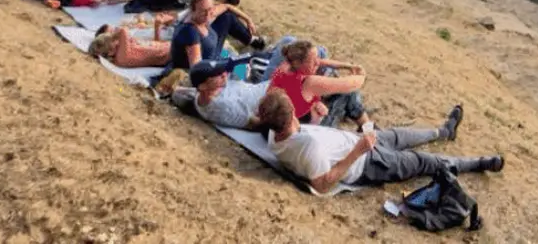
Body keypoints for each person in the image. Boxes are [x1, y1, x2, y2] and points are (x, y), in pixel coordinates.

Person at [258, 89, 499, 194]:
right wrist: (358, 151)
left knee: (399, 135)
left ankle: (444, 132)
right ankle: (477, 163)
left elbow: (302, 137)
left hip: (359, 142)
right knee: (423, 161)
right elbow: (322, 184)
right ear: (291, 113)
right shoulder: (307, 148)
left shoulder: (275, 136)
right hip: (367, 163)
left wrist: (315, 120)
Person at [267, 39, 372, 130]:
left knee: (342, 97)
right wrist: (362, 75)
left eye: (317, 57)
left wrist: (348, 66)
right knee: (350, 94)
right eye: (313, 61)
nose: (317, 62)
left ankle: (367, 126)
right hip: (304, 131)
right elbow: (351, 84)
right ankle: (369, 131)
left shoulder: (285, 67)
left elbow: (322, 62)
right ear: (298, 63)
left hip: (281, 124)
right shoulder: (309, 82)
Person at [170, 0, 264, 71]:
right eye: (203, 11)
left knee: (227, 16)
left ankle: (251, 40)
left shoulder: (203, 16)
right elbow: (197, 68)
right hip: (211, 61)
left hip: (212, 50)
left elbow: (227, 6)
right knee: (246, 66)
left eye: (210, 9)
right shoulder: (190, 32)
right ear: (193, 10)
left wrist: (248, 20)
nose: (208, 14)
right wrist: (224, 66)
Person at [189, 57, 269, 129]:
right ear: (203, 86)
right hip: (269, 96)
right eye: (217, 74)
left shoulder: (206, 92)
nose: (224, 75)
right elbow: (254, 123)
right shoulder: (222, 107)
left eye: (221, 70)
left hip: (263, 86)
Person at [89, 14, 175, 68]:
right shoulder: (122, 57)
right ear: (110, 52)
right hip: (174, 51)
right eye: (113, 38)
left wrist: (157, 26)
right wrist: (112, 37)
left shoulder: (123, 52)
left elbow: (156, 48)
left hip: (171, 47)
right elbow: (123, 30)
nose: (116, 38)